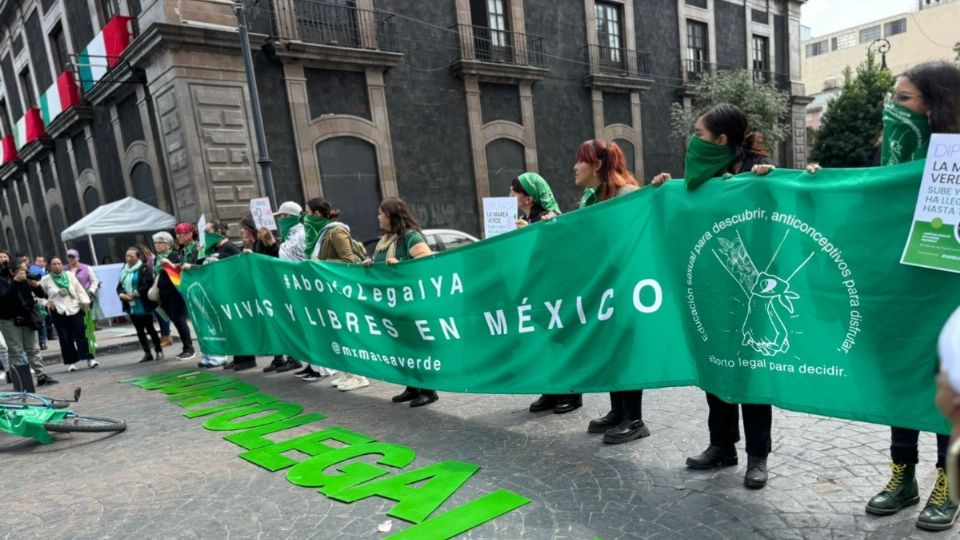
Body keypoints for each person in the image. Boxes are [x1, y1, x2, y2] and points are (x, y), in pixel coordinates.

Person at [651, 103, 776, 488]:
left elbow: (776, 222)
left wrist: (769, 184)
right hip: (709, 292)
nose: (693, 141)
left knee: (751, 376)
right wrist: (664, 192)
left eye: (699, 134)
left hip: (748, 291)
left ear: (721, 140)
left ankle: (758, 456)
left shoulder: (758, 174)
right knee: (715, 367)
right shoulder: (698, 182)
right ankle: (722, 446)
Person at [568, 139, 652, 443]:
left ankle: (635, 418)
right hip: (606, 289)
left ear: (598, 165)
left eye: (581, 160)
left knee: (624, 351)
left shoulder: (625, 195)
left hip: (626, 289)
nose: (575, 167)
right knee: (611, 349)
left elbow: (631, 248)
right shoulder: (594, 198)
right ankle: (618, 411)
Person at [508, 172, 582, 416]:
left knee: (561, 341)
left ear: (529, 197)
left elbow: (558, 251)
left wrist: (530, 230)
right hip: (535, 290)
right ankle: (551, 389)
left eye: (515, 191)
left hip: (555, 291)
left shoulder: (550, 218)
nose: (512, 196)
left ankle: (571, 392)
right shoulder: (523, 219)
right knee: (543, 343)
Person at [364, 197, 438, 407]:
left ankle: (428, 390)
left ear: (391, 216)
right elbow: (382, 265)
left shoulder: (410, 237)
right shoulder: (385, 239)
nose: (378, 217)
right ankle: (412, 386)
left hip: (410, 304)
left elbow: (426, 260)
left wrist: (403, 263)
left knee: (417, 346)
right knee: (400, 346)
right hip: (390, 305)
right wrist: (370, 264)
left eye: (381, 213)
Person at [305, 197, 367, 389]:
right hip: (330, 292)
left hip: (342, 292)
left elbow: (348, 261)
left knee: (347, 333)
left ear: (316, 214)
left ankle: (358, 375)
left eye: (306, 213)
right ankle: (347, 372)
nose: (305, 218)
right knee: (338, 333)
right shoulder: (322, 234)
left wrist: (321, 265)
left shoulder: (336, 231)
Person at [239, 214, 293, 374]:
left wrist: (270, 242)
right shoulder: (254, 243)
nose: (241, 231)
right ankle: (278, 357)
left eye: (243, 228)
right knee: (270, 324)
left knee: (280, 323)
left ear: (250, 228)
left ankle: (292, 358)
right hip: (264, 289)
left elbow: (275, 258)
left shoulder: (267, 241)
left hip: (274, 288)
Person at [255, 202, 305, 374]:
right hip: (285, 285)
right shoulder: (288, 234)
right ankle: (297, 359)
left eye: (283, 216)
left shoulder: (299, 234)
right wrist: (268, 243)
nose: (280, 220)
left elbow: (284, 260)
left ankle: (309, 364)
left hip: (297, 286)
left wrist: (271, 242)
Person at [202, 221, 254, 371]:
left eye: (209, 231)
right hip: (221, 293)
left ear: (218, 231)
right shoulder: (212, 249)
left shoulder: (230, 248)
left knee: (239, 325)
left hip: (234, 294)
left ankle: (248, 358)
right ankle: (237, 356)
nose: (206, 235)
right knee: (229, 327)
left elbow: (240, 268)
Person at [0, 254, 56, 386]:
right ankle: (22, 382)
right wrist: (16, 282)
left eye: (26, 270)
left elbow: (42, 295)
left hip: (27, 316)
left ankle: (41, 376)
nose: (25, 273)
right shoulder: (3, 281)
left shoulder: (26, 279)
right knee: (16, 351)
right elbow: (5, 298)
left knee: (33, 348)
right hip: (9, 320)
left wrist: (36, 285)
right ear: (13, 271)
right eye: (22, 270)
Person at [40, 257, 96, 371]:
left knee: (81, 334)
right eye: (54, 264)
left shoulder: (69, 275)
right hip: (58, 310)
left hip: (74, 307)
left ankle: (89, 359)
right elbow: (36, 295)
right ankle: (71, 362)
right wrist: (46, 303)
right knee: (65, 337)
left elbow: (79, 289)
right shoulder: (46, 279)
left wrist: (85, 300)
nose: (57, 266)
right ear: (50, 266)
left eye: (59, 263)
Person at [152, 231, 195, 360]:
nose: (158, 245)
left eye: (161, 242)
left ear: (169, 244)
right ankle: (185, 347)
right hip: (164, 294)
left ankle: (189, 349)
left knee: (180, 320)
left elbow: (179, 271)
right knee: (175, 321)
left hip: (175, 293)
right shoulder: (156, 259)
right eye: (156, 243)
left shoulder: (175, 255)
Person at [118, 245, 163, 363]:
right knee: (139, 330)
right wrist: (122, 295)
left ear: (138, 257)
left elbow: (148, 283)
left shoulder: (144, 268)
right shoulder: (124, 269)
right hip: (130, 304)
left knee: (150, 328)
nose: (128, 258)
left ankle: (158, 350)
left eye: (131, 256)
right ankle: (147, 353)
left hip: (142, 303)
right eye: (127, 256)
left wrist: (135, 293)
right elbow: (119, 286)